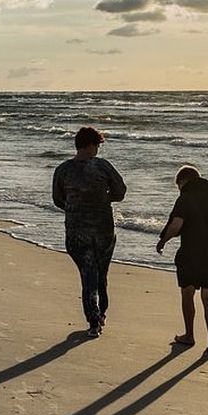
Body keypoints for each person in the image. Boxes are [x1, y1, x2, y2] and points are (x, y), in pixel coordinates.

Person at [51, 127, 126, 338]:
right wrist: (103, 197)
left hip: (76, 231)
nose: (98, 150)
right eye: (98, 146)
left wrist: (75, 203)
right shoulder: (102, 167)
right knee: (101, 275)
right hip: (103, 229)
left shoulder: (63, 169)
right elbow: (120, 192)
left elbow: (57, 199)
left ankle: (94, 319)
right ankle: (100, 314)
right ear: (92, 145)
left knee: (88, 274)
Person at [156, 165, 208, 356]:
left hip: (190, 253)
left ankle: (189, 335)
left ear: (183, 181)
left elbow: (176, 224)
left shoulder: (186, 197)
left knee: (187, 293)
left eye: (178, 185)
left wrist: (163, 240)